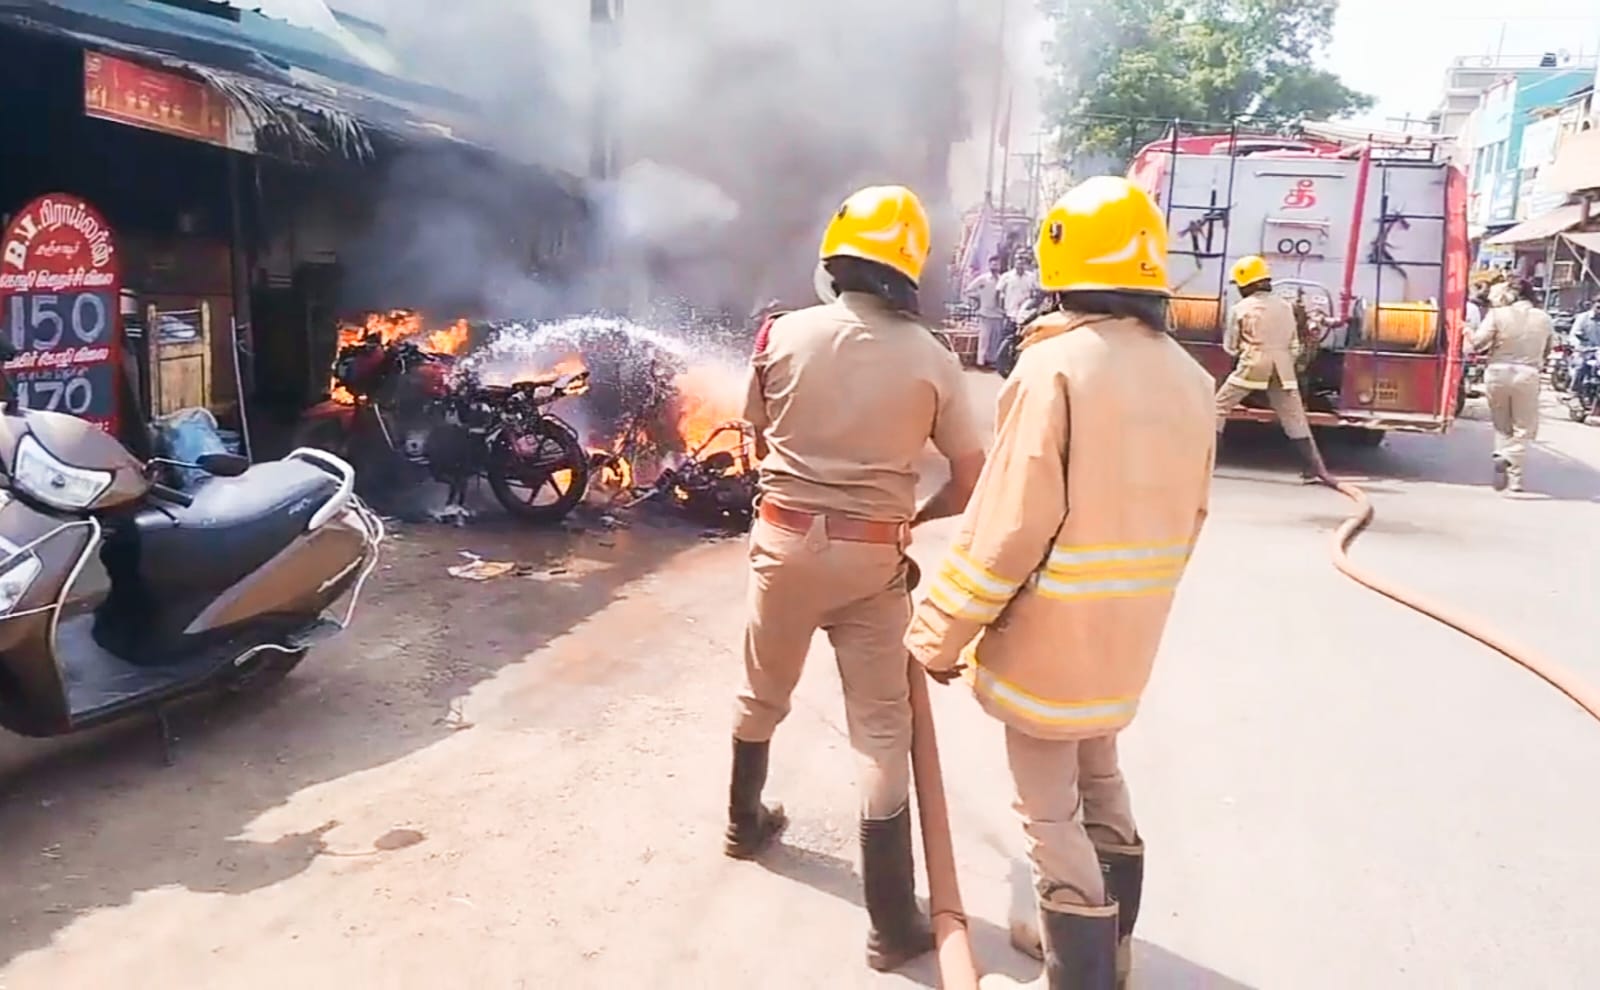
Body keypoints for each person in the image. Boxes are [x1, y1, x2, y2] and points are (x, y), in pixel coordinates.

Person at [905, 176, 1216, 989]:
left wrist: (941, 631)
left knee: (1049, 813)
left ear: (1062, 261)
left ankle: (1077, 977)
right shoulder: (1191, 379)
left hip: (1050, 638)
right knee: (1102, 777)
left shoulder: (1058, 370)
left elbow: (1008, 524)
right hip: (1127, 636)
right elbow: (1193, 518)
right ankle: (1107, 956)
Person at [728, 184, 987, 972]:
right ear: (909, 272)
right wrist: (918, 517)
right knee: (882, 734)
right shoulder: (934, 358)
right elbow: (970, 478)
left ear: (835, 259)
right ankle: (890, 923)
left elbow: (755, 428)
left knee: (759, 691)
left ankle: (743, 822)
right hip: (875, 559)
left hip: (781, 543)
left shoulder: (780, 335)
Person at [1213, 255, 1334, 485]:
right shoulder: (1286, 307)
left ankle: (1211, 461)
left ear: (1244, 284)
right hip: (1284, 369)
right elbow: (1295, 345)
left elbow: (1230, 347)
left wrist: (1247, 352)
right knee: (1295, 418)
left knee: (1217, 409)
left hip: (1252, 366)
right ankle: (1315, 469)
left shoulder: (1240, 308)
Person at [1471, 277, 1553, 493]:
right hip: (1527, 375)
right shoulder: (1543, 318)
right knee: (1524, 429)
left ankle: (1511, 476)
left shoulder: (1498, 315)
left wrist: (1467, 333)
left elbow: (1478, 344)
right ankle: (1510, 461)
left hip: (1497, 372)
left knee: (1502, 427)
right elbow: (1547, 350)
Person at [964, 254, 1008, 368]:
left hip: (998, 314)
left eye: (997, 263)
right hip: (985, 313)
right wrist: (978, 297)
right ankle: (981, 362)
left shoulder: (1003, 279)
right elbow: (968, 291)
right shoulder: (983, 279)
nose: (995, 265)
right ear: (989, 264)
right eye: (993, 263)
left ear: (1000, 265)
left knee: (995, 340)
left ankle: (991, 361)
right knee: (984, 339)